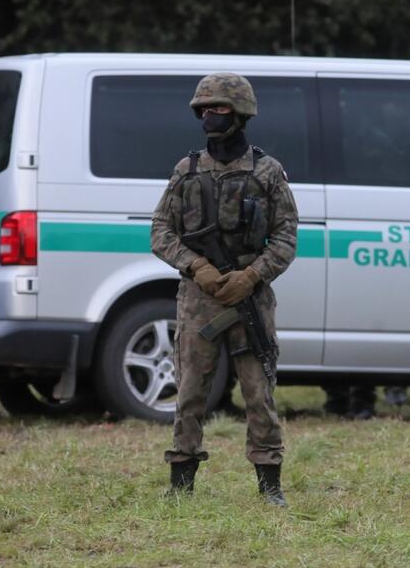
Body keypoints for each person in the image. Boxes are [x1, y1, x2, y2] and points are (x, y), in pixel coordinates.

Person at [151, 72, 298, 506]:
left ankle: (270, 485)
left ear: (239, 114)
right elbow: (161, 231)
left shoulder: (267, 172)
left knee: (258, 392)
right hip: (200, 298)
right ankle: (181, 484)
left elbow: (287, 237)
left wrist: (250, 276)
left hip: (250, 297)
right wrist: (196, 266)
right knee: (191, 390)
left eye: (219, 109)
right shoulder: (187, 170)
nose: (210, 117)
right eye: (205, 110)